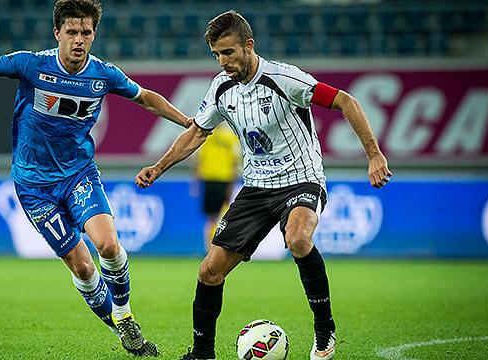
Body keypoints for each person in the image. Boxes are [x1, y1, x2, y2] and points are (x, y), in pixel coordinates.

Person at [135, 10, 392, 360]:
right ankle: (202, 353)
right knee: (210, 270)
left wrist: (374, 155)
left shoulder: (284, 78)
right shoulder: (221, 87)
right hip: (256, 186)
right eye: (216, 55)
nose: (223, 61)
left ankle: (324, 327)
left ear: (248, 45)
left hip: (301, 178)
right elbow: (198, 130)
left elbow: (345, 100)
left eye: (228, 52)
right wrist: (159, 167)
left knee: (298, 239)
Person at [0, 0, 193, 356]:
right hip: (34, 186)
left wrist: (186, 121)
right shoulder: (31, 64)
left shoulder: (102, 74)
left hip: (79, 174)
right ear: (57, 33)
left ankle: (125, 315)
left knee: (108, 245)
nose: (79, 40)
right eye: (72, 32)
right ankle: (121, 330)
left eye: (86, 32)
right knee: (81, 266)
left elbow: (146, 98)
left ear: (94, 34)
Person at [194, 122, 240, 251]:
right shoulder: (229, 137)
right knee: (218, 215)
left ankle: (212, 247)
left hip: (214, 179)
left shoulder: (207, 136)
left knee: (214, 216)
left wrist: (196, 180)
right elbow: (235, 162)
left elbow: (198, 159)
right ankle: (214, 247)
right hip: (219, 179)